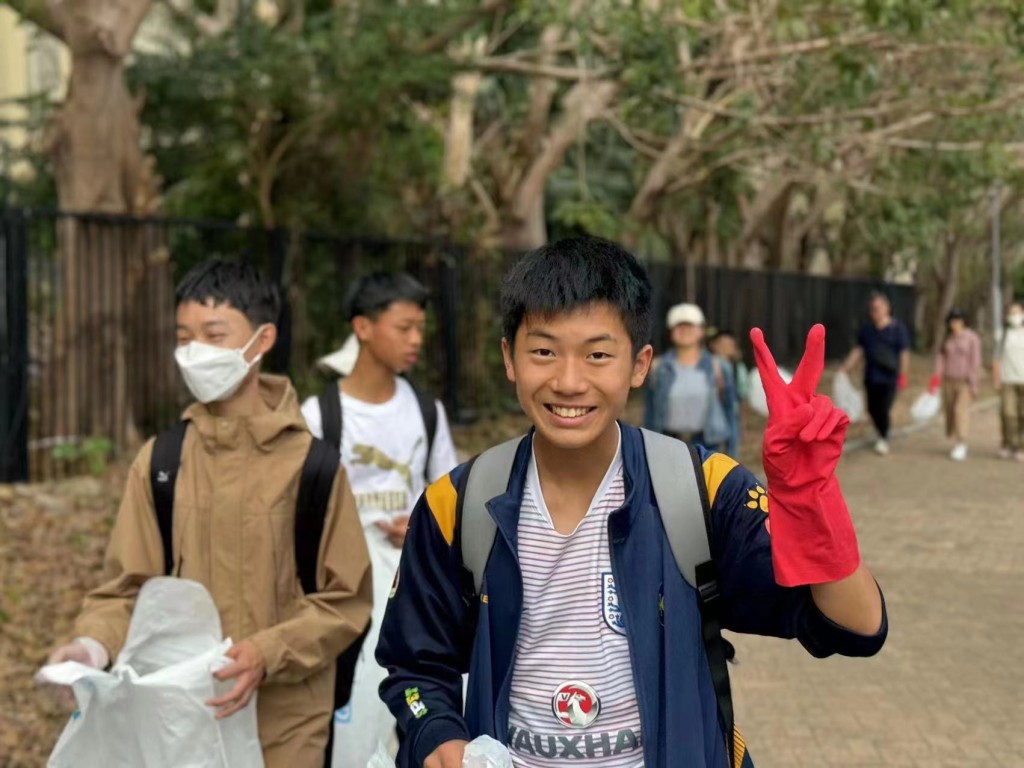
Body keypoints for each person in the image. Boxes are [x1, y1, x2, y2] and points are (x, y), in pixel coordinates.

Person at [377, 237, 887, 768]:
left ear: (640, 364)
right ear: (510, 358)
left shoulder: (702, 489)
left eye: (598, 354)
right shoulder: (457, 504)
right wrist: (435, 732)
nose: (569, 381)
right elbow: (415, 667)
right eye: (544, 351)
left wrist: (810, 500)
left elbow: (856, 627)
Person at [44, 260, 373, 768]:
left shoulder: (314, 467)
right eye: (185, 336)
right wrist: (92, 645)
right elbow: (126, 588)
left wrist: (266, 652)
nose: (194, 351)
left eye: (213, 335)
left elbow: (346, 601)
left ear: (262, 340)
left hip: (286, 726)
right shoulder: (161, 461)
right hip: (180, 720)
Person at [301, 272, 459, 768]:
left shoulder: (426, 411)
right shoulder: (319, 416)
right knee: (350, 714)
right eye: (404, 327)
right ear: (363, 328)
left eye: (420, 329)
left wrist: (421, 527)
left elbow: (447, 495)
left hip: (413, 590)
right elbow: (299, 516)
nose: (415, 340)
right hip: (345, 595)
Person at [643, 303, 734, 452]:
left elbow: (730, 411)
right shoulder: (658, 368)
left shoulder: (718, 367)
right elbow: (650, 412)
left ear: (701, 331)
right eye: (679, 326)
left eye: (690, 326)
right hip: (667, 444)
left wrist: (731, 452)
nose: (684, 331)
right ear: (671, 332)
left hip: (708, 445)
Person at [838, 292, 911, 455]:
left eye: (878, 308)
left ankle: (883, 437)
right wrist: (846, 367)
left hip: (889, 378)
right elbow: (859, 349)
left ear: (887, 308)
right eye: (872, 309)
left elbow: (904, 353)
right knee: (872, 408)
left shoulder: (897, 329)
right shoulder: (867, 329)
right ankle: (881, 432)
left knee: (883, 408)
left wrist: (903, 376)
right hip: (871, 377)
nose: (874, 312)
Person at [928, 308, 981, 461]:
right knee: (950, 412)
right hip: (948, 380)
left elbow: (975, 361)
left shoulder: (972, 338)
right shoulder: (948, 339)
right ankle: (956, 438)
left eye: (958, 320)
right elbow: (941, 358)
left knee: (960, 411)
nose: (955, 324)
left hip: (965, 381)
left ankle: (961, 443)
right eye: (952, 321)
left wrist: (973, 383)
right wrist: (935, 379)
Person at [708, 329, 749, 458]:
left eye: (730, 344)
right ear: (714, 346)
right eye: (723, 344)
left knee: (731, 451)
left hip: (732, 414)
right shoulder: (708, 364)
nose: (726, 348)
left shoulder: (738, 368)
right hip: (712, 414)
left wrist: (742, 423)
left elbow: (742, 396)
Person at [994, 300, 1024, 461]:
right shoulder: (1003, 334)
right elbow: (996, 359)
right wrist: (996, 378)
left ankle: (1020, 447)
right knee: (1007, 414)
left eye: (1016, 312)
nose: (1014, 316)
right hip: (1007, 380)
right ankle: (1007, 444)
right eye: (1011, 313)